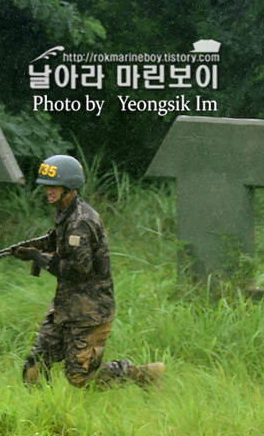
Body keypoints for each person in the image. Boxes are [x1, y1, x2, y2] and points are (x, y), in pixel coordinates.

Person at [14, 154, 165, 388]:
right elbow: (63, 246)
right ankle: (38, 415)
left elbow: (78, 270)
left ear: (70, 187)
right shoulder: (66, 213)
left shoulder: (80, 221)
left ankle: (145, 375)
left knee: (81, 378)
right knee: (34, 366)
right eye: (47, 187)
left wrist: (40, 258)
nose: (49, 192)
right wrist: (36, 248)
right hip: (65, 306)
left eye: (55, 186)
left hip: (90, 310)